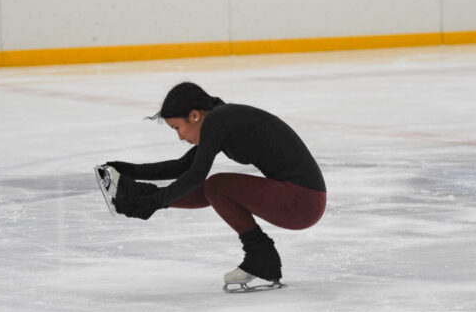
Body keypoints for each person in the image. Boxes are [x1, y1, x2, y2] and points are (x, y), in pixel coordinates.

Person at [101, 82, 327, 290]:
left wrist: (152, 204)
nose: (180, 137)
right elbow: (181, 167)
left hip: (302, 202)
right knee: (214, 189)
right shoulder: (221, 119)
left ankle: (262, 257)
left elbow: (195, 175)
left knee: (217, 186)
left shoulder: (219, 120)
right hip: (302, 200)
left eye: (177, 127)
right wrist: (124, 170)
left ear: (194, 115)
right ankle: (134, 191)